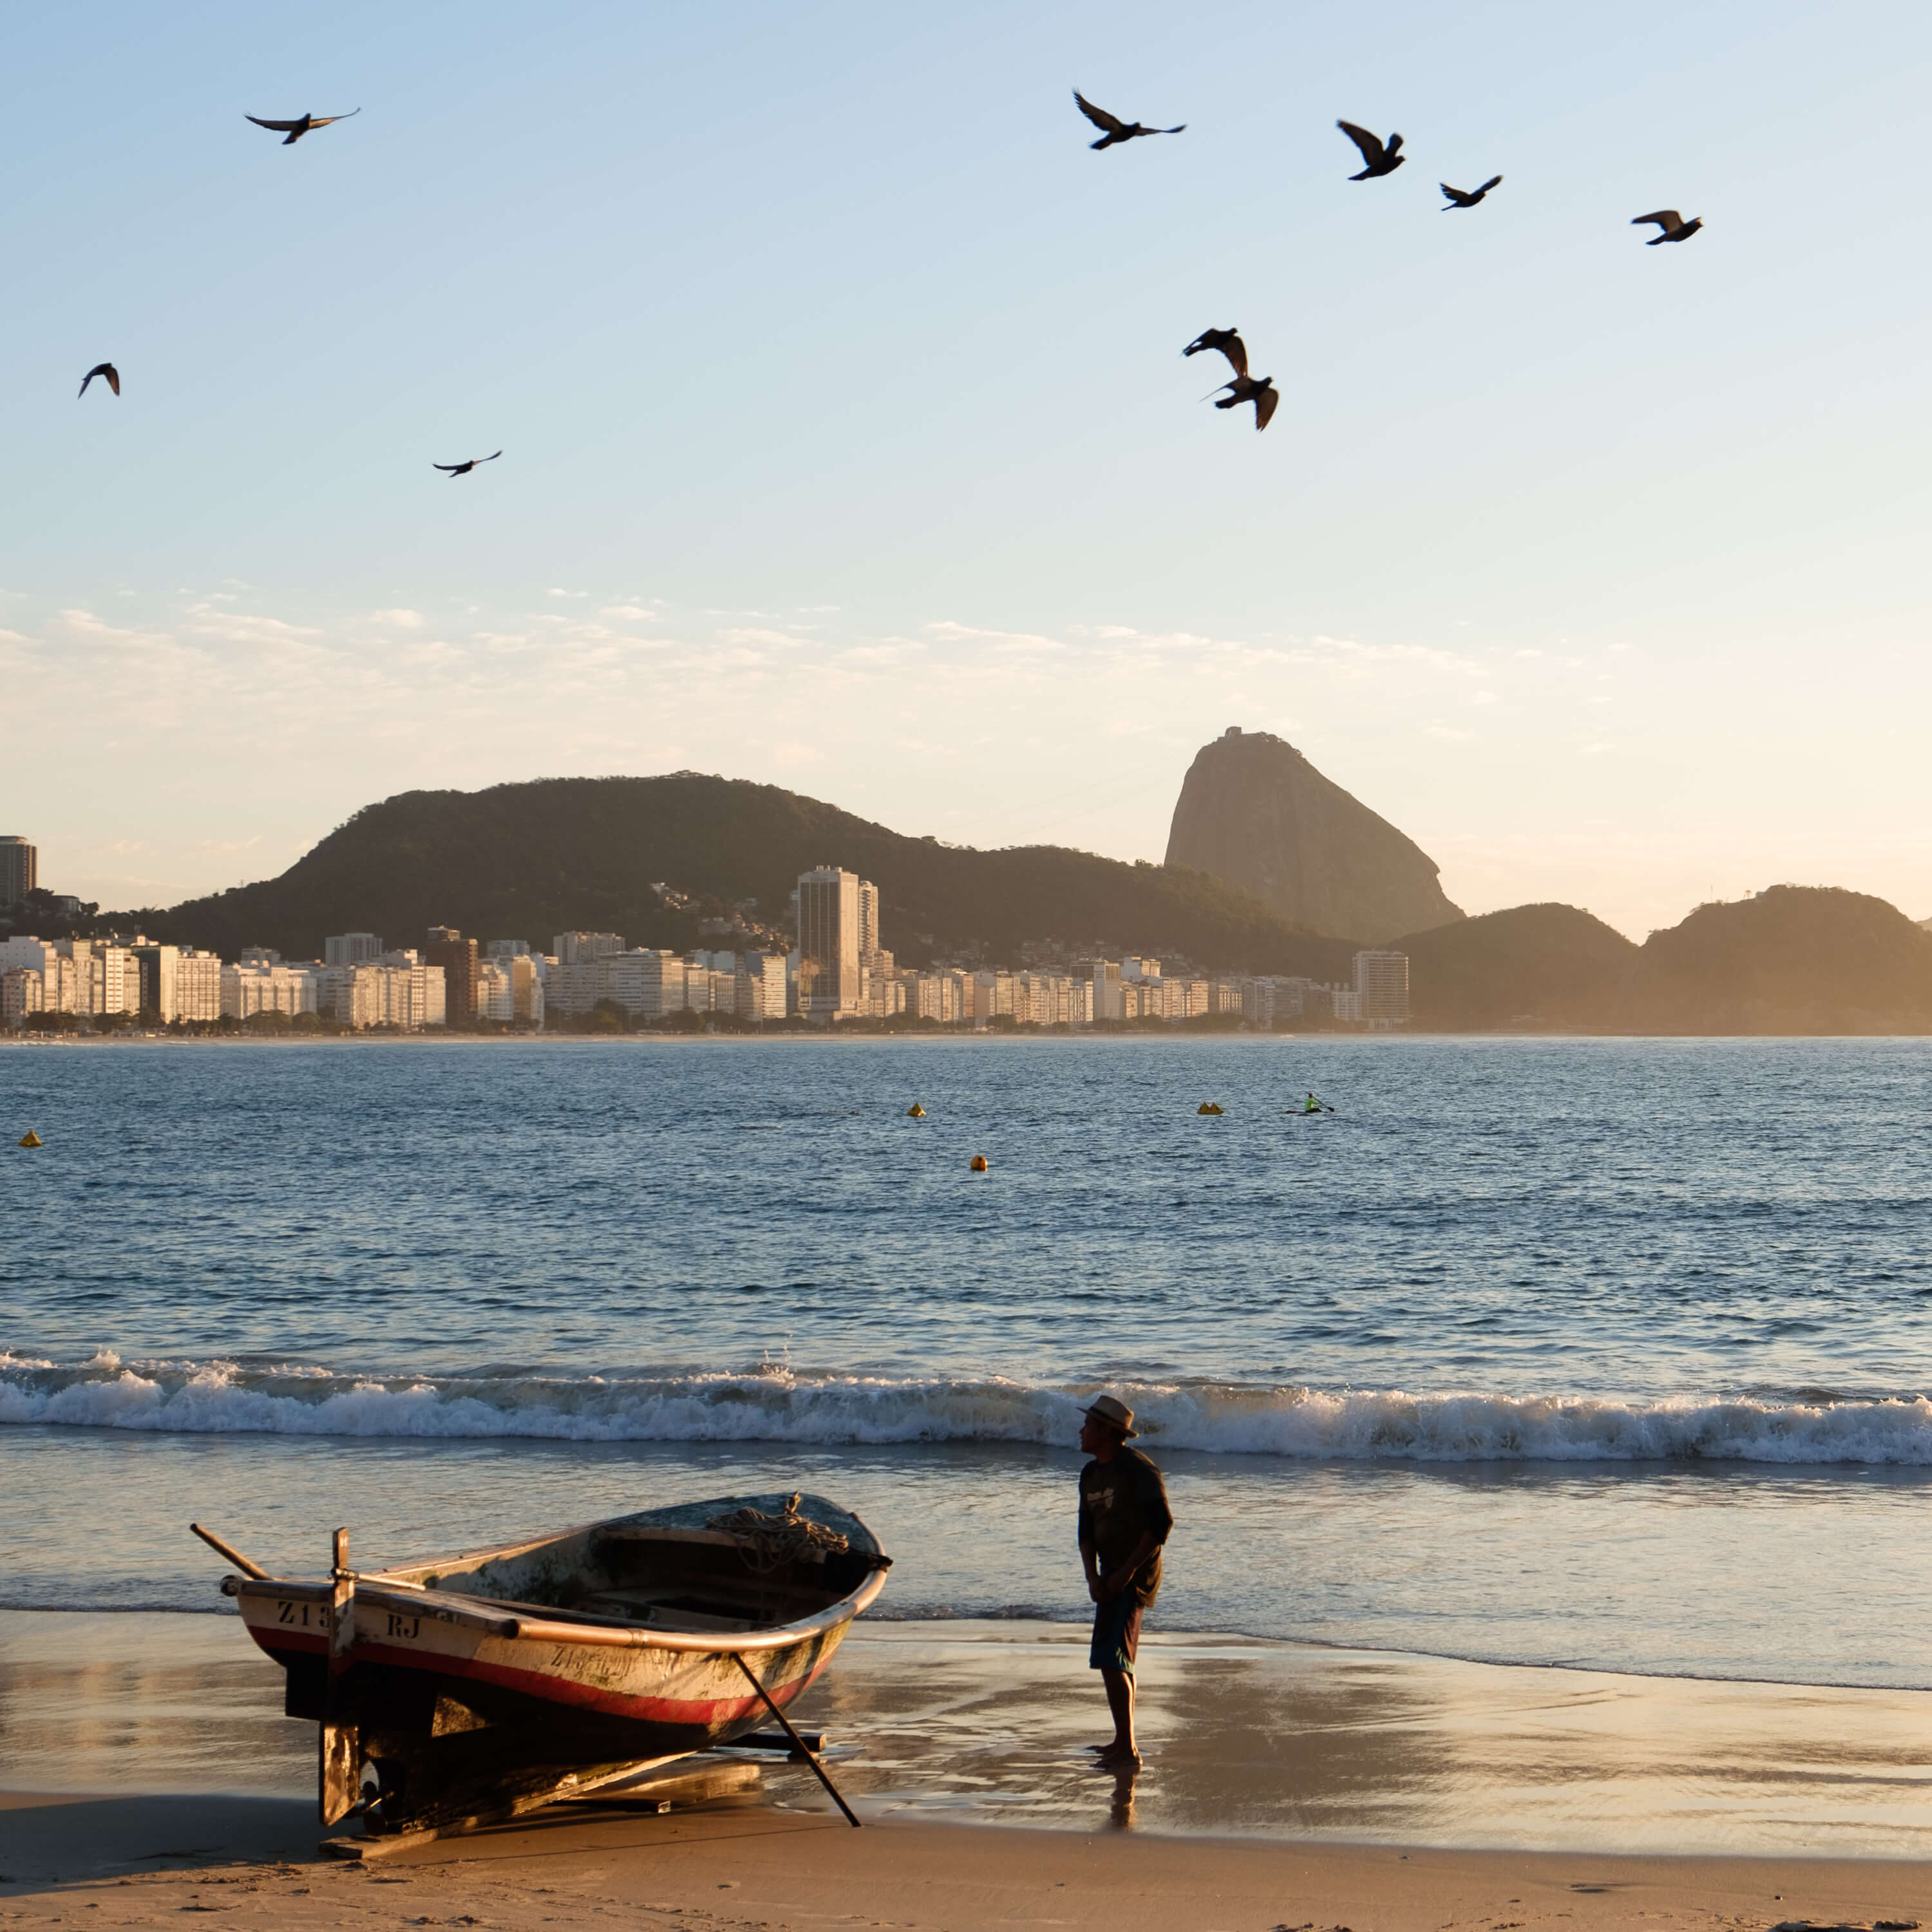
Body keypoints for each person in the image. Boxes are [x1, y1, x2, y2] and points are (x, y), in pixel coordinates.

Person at [1076, 1393, 1173, 1768]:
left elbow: (1161, 1525)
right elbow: (1085, 1532)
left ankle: (1128, 1750)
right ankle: (1123, 1740)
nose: (1081, 1431)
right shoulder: (1090, 1474)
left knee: (1112, 1656)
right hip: (1108, 1574)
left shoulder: (1138, 1470)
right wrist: (1093, 1577)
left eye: (1088, 1425)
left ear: (1106, 1431)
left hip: (1135, 1575)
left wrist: (1125, 1573)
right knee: (1111, 1657)